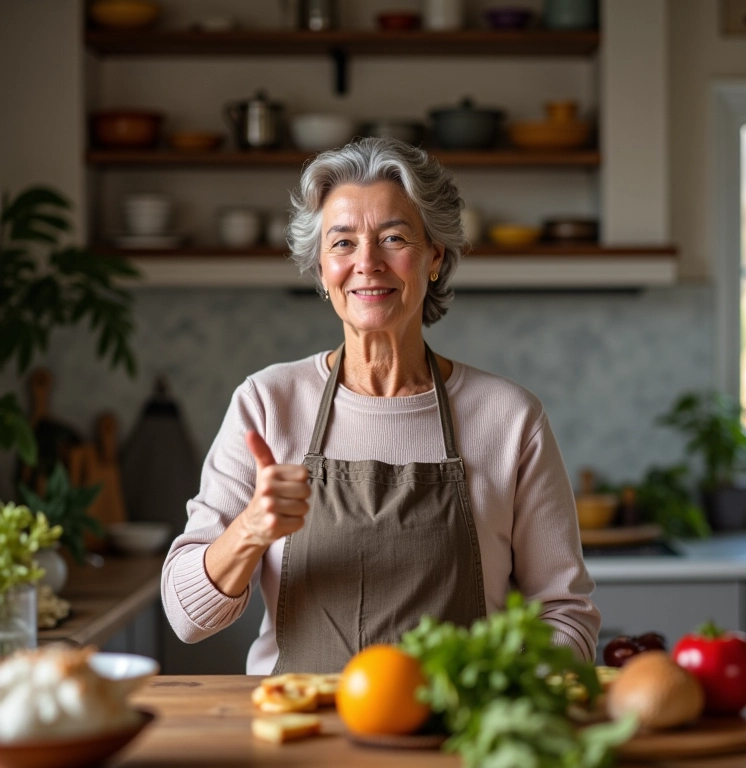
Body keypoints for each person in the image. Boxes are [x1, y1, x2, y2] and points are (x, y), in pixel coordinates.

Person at [162, 137, 600, 674]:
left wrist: (497, 687)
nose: (367, 263)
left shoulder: (510, 419)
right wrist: (250, 528)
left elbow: (566, 617)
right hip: (299, 731)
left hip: (453, 739)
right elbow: (186, 617)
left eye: (393, 238)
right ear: (321, 269)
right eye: (342, 243)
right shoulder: (267, 402)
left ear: (434, 256)